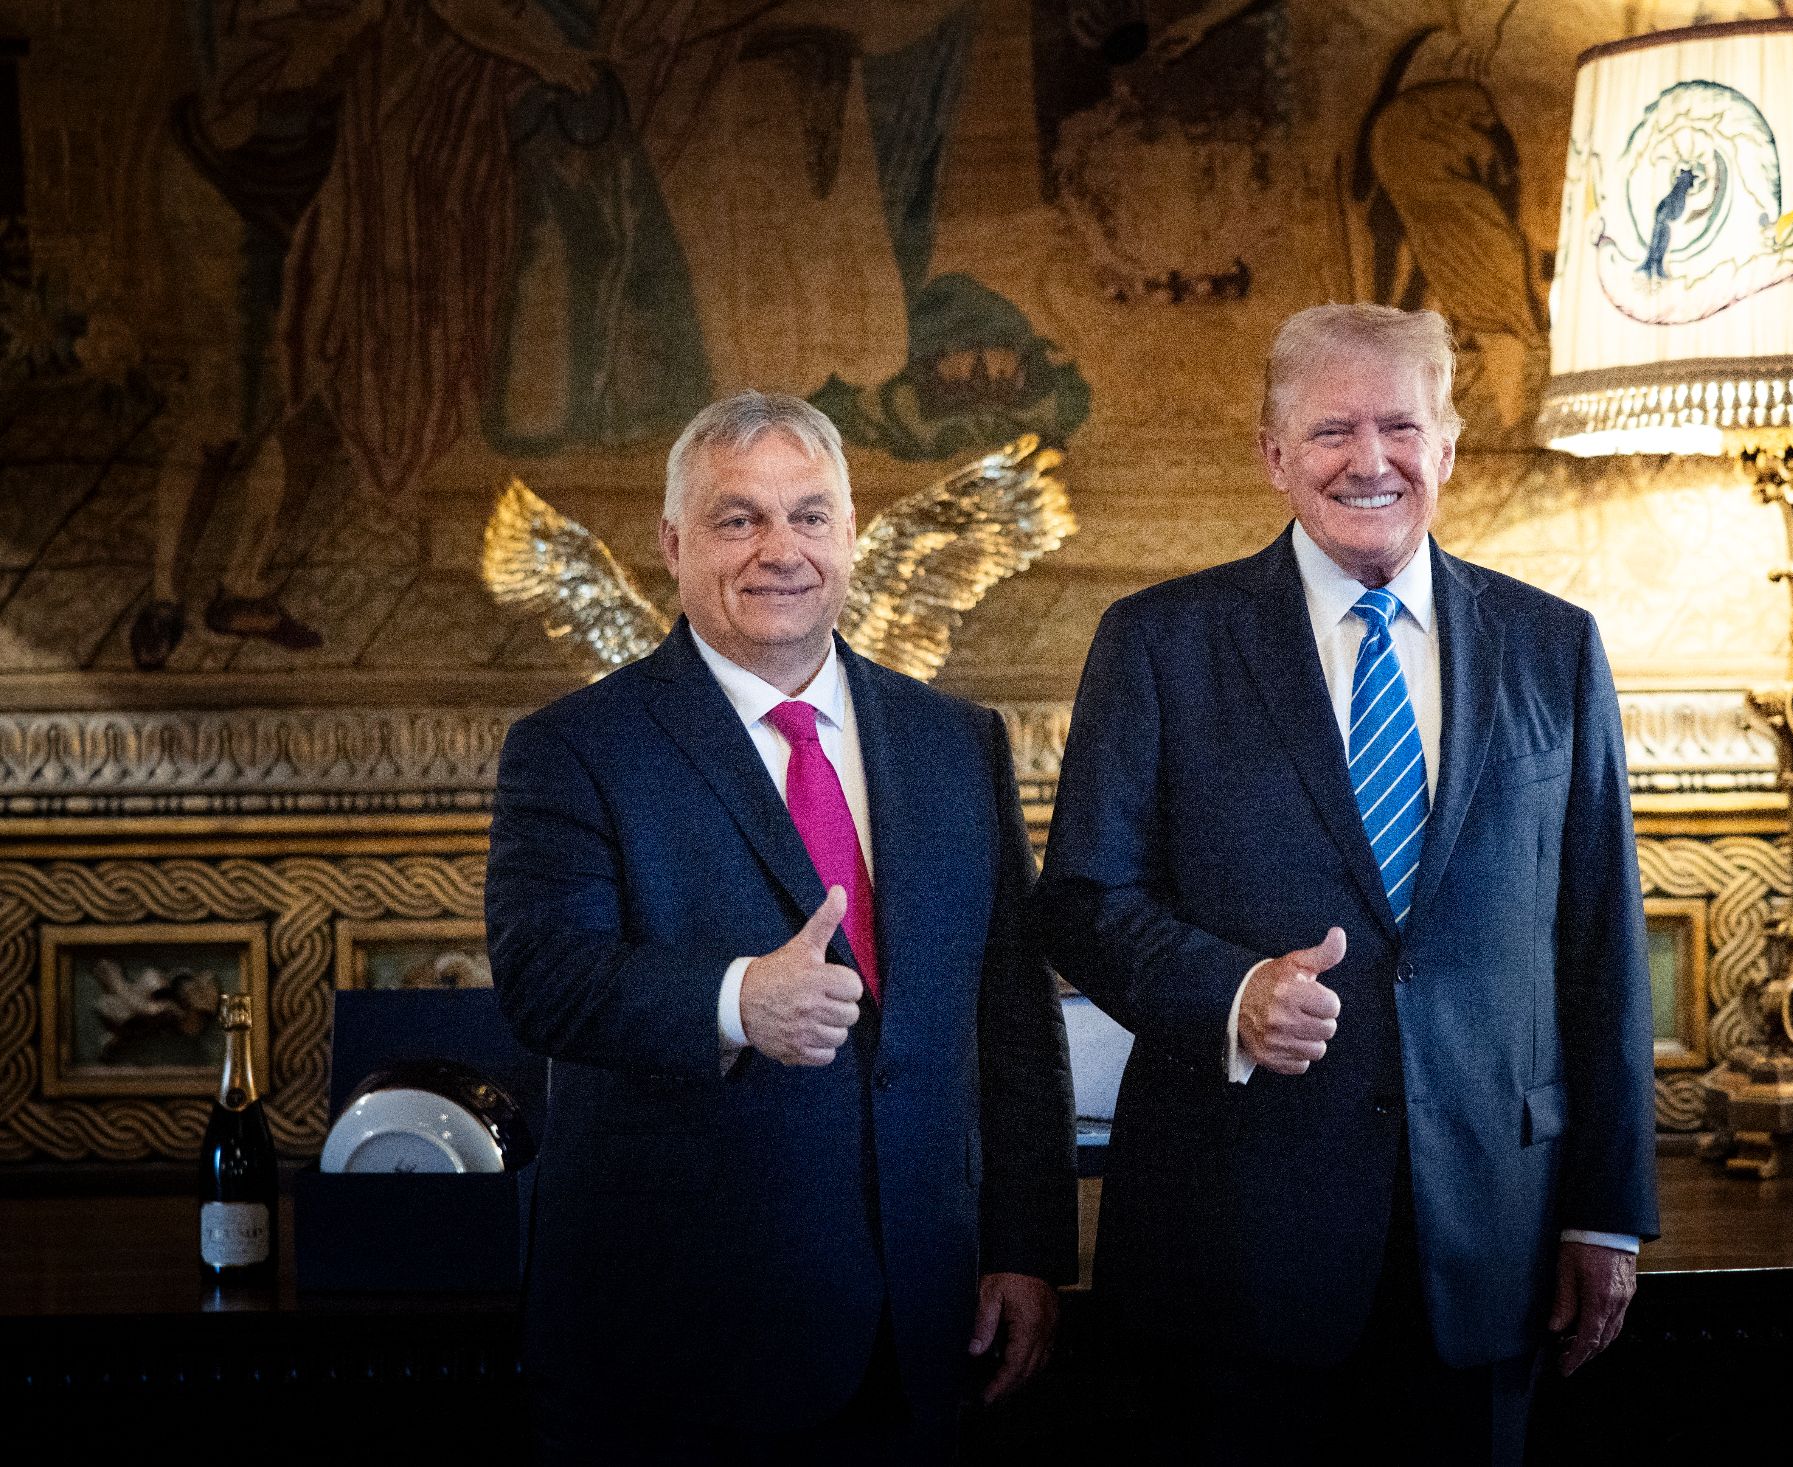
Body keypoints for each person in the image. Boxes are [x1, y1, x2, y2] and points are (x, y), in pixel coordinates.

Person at [1033, 303, 1658, 1465]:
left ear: (1447, 447)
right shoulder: (1159, 643)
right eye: (1330, 431)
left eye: (1398, 427)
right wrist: (1232, 995)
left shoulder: (1554, 648)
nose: (1369, 460)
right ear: (1273, 455)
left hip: (1490, 1246)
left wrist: (1607, 1212)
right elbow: (1081, 902)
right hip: (1233, 1250)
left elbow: (1600, 944)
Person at [486, 390, 1077, 1463]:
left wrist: (1031, 1248)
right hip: (681, 1349)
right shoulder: (574, 748)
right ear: (673, 544)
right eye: (738, 518)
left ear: (850, 534)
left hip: (928, 1331)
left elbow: (1014, 1023)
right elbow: (544, 977)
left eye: (809, 516)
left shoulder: (957, 742)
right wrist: (733, 1002)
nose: (780, 550)